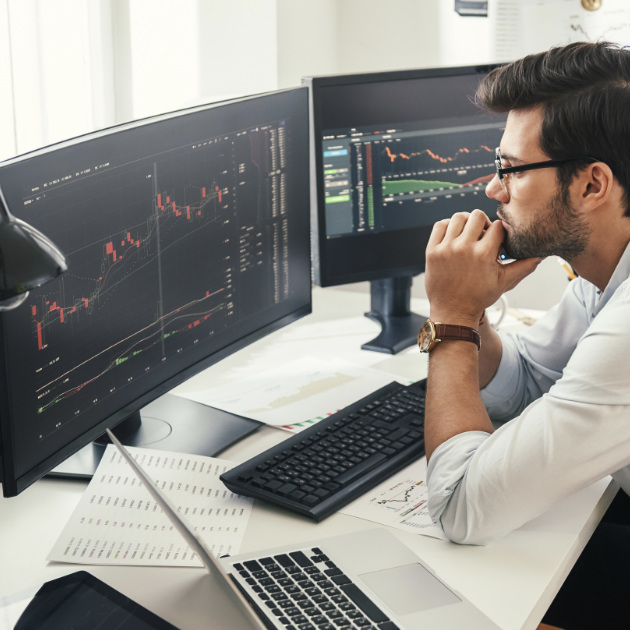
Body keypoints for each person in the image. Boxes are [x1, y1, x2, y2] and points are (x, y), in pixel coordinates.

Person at [421, 41, 630, 628]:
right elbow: (531, 383)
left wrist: (452, 321)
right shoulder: (604, 262)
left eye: (511, 169)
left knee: (461, 581)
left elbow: (462, 508)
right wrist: (475, 309)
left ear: (593, 186)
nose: (493, 188)